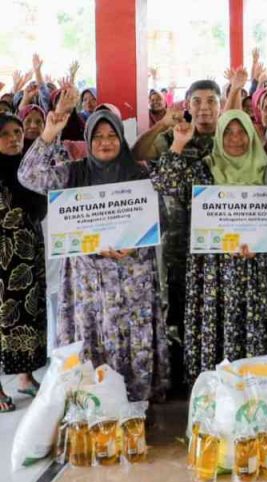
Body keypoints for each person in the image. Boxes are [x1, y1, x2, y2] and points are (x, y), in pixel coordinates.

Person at [19, 109, 168, 401]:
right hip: (87, 279)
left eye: (112, 135)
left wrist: (136, 242)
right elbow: (28, 176)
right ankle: (96, 406)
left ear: (121, 139)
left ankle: (134, 407)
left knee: (130, 341)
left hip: (131, 277)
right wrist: (49, 133)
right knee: (92, 337)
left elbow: (161, 217)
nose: (105, 142)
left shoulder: (139, 174)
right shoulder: (73, 172)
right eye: (97, 136)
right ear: (88, 140)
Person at [148, 111, 267, 382]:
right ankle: (214, 391)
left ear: (251, 136)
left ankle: (251, 391)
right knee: (216, 322)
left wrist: (263, 243)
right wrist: (179, 144)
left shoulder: (265, 170)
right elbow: (165, 183)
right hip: (213, 270)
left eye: (241, 131)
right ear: (219, 136)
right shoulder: (204, 168)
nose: (235, 138)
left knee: (249, 323)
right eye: (228, 132)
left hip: (251, 267)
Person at [133, 79, 220, 392]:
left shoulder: (230, 138)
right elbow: (138, 154)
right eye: (197, 101)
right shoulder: (175, 135)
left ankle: (211, 368)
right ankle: (181, 376)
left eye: (211, 101)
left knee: (211, 304)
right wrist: (161, 125)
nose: (204, 107)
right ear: (187, 105)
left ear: (221, 106)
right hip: (176, 237)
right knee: (178, 302)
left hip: (216, 241)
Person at [0, 114, 47, 412]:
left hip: (28, 255)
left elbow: (40, 210)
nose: (15, 137)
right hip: (3, 260)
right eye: (5, 134)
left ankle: (25, 378)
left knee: (28, 316)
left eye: (18, 132)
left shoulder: (28, 169)